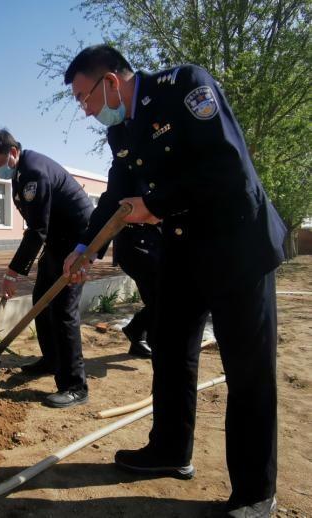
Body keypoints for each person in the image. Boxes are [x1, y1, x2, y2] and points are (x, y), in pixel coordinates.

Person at [62, 45, 285, 517]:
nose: (85, 110)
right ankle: (169, 451)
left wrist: (157, 204)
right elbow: (118, 193)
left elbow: (227, 168)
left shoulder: (185, 87)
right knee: (169, 348)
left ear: (110, 82)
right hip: (183, 250)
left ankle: (254, 492)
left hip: (236, 245)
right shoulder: (122, 129)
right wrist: (85, 248)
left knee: (248, 370)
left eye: (85, 97)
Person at [0, 128, 95, 409]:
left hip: (79, 240)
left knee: (64, 310)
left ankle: (75, 386)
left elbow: (36, 231)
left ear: (13, 153)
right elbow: (39, 228)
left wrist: (12, 273)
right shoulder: (20, 175)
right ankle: (51, 360)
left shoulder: (34, 173)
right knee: (42, 300)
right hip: (58, 239)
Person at [113, 223, 161, 358]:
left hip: (153, 246)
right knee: (160, 299)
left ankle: (140, 338)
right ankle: (137, 331)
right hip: (136, 248)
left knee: (157, 299)